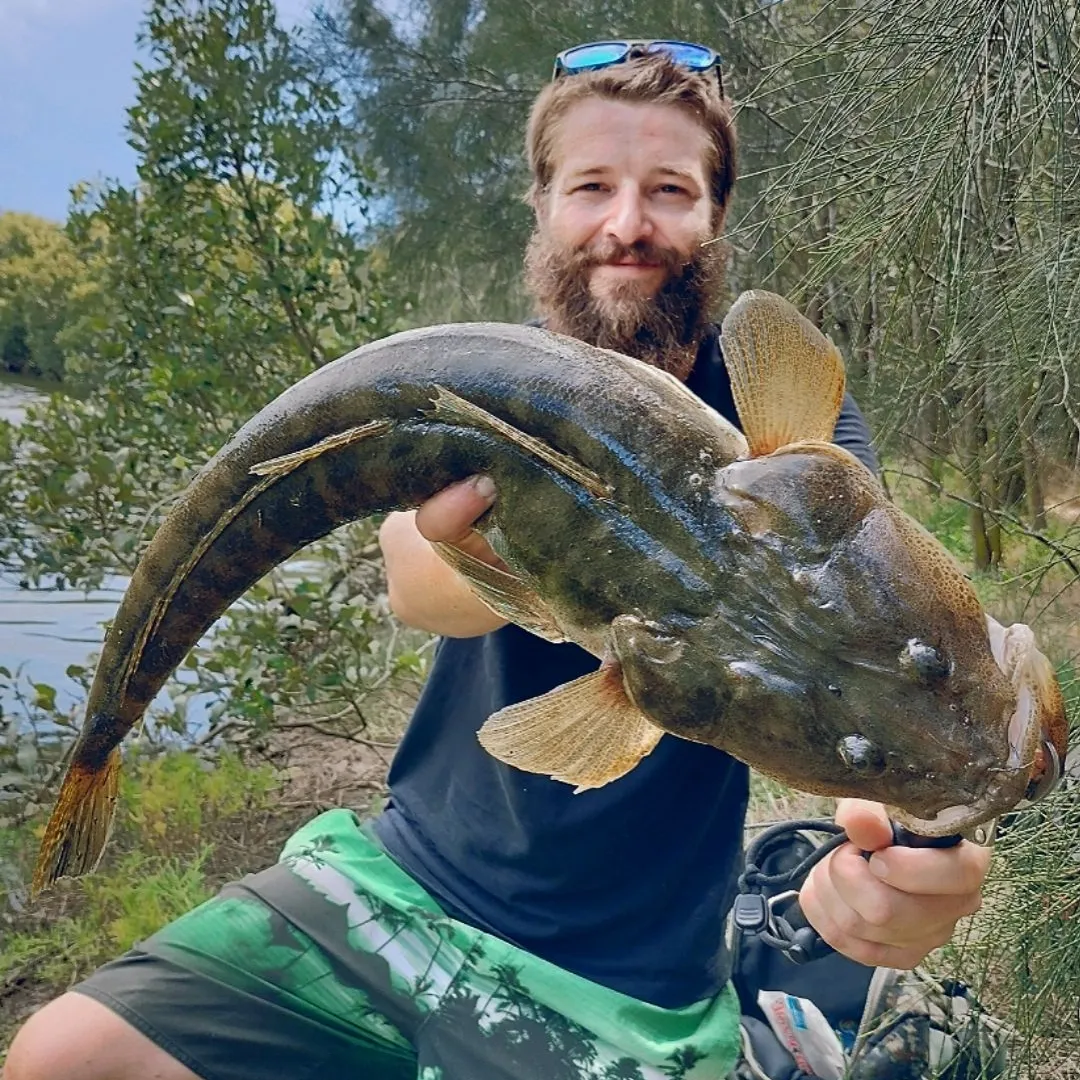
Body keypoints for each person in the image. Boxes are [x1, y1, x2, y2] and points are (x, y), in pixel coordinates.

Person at [5, 41, 990, 1080]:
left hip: (632, 971)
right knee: (62, 1055)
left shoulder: (798, 443)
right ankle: (96, 749)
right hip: (398, 880)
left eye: (669, 191)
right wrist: (472, 548)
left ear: (716, 218)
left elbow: (883, 652)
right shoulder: (478, 390)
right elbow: (415, 580)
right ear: (543, 207)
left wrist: (911, 848)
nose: (627, 225)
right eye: (593, 187)